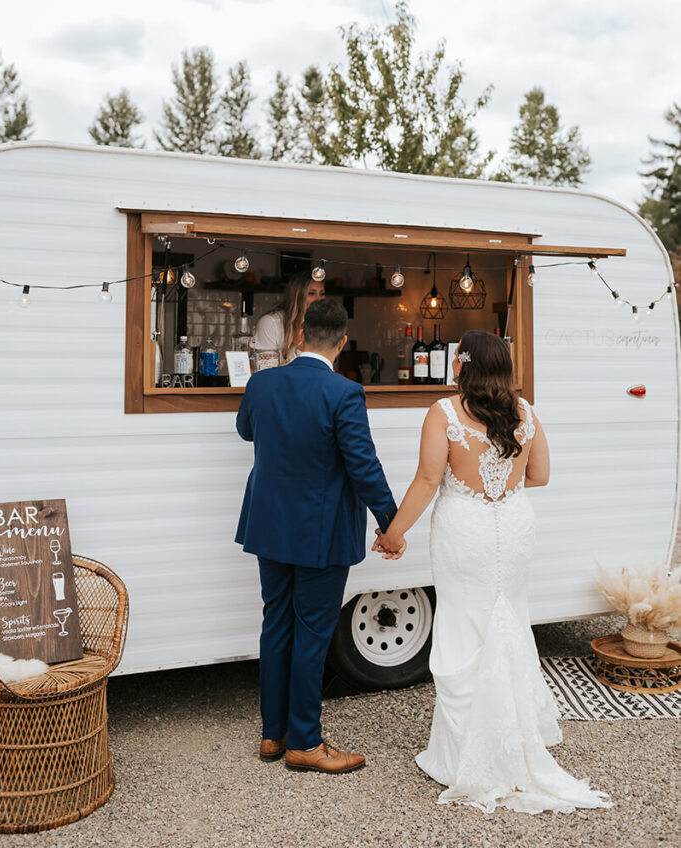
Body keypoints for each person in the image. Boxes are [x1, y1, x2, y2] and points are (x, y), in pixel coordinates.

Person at [373, 331, 612, 815]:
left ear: (462, 365)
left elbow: (426, 479)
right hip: (514, 526)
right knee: (509, 618)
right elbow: (540, 476)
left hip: (466, 530)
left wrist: (395, 533)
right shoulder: (525, 413)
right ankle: (516, 735)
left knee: (465, 624)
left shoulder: (443, 413)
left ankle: (465, 755)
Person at [235, 298, 397, 773]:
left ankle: (273, 734)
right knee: (311, 634)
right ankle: (304, 743)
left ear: (300, 336)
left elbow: (247, 430)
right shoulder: (344, 392)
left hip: (269, 525)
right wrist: (389, 522)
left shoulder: (261, 383)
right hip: (320, 533)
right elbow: (363, 467)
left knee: (277, 625)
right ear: (342, 343)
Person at [253, 270, 325, 365]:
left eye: (322, 294)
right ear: (297, 296)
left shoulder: (321, 326)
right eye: (311, 293)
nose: (318, 299)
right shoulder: (271, 323)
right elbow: (264, 373)